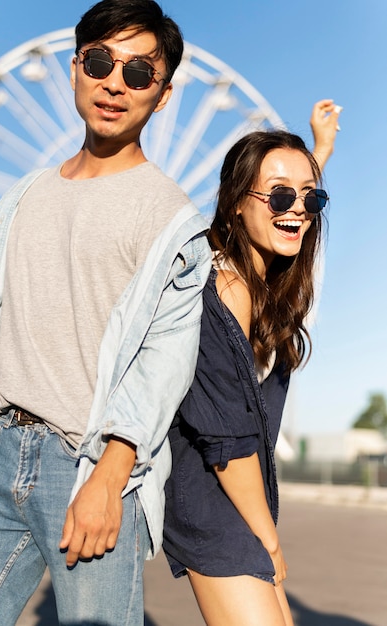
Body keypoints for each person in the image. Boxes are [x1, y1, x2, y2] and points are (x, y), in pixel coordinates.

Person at [0, 1, 211, 624]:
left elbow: (167, 359)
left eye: (139, 73)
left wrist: (112, 473)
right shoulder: (21, 197)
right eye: (101, 61)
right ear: (75, 68)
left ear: (162, 96)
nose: (114, 83)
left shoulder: (171, 216)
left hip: (89, 465)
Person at [162, 113, 340, 625]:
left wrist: (319, 152)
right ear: (237, 203)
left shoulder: (263, 282)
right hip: (212, 497)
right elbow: (228, 443)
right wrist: (270, 539)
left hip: (238, 500)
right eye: (281, 196)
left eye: (312, 197)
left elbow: (286, 203)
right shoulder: (225, 289)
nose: (300, 210)